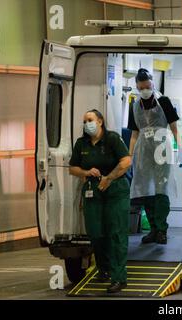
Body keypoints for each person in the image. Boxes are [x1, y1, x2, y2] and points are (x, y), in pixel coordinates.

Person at [69, 109, 131, 293]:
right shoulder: (82, 144)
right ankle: (103, 269)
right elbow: (72, 168)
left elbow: (126, 161)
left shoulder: (112, 139)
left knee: (116, 234)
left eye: (90, 119)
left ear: (100, 121)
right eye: (85, 120)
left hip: (115, 190)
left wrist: (109, 178)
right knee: (96, 232)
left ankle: (119, 277)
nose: (87, 123)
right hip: (93, 191)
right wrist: (86, 172)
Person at [128, 68, 182, 245]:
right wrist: (129, 156)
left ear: (152, 83)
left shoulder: (164, 101)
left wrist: (181, 147)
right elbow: (134, 134)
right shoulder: (135, 105)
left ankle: (162, 229)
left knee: (161, 186)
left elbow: (174, 127)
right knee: (146, 188)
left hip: (162, 145)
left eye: (147, 86)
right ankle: (153, 229)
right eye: (141, 87)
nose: (145, 89)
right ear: (137, 86)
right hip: (143, 149)